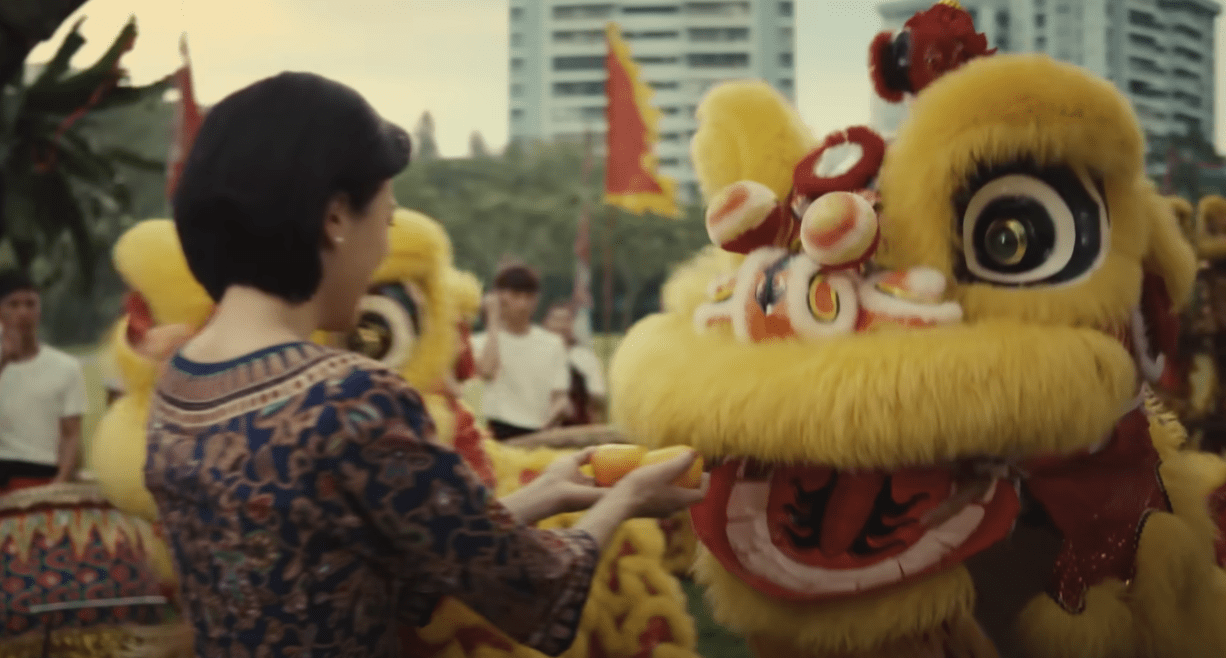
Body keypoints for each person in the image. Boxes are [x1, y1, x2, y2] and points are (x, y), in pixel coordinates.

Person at [144, 71, 707, 658]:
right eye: (384, 221)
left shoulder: (181, 384)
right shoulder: (348, 399)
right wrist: (626, 500)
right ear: (335, 218)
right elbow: (531, 587)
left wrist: (544, 493)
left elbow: (378, 551)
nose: (382, 250)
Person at [0, 270, 88, 494]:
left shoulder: (66, 367)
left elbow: (71, 434)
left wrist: (60, 481)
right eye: (13, 304)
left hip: (41, 475)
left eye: (30, 304)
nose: (23, 312)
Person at [472, 264, 573, 439]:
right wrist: (493, 319)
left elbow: (560, 395)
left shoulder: (552, 344)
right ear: (500, 297)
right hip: (497, 430)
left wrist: (553, 416)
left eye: (529, 297)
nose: (523, 304)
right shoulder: (482, 342)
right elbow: (487, 371)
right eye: (516, 296)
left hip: (539, 431)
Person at [543, 301, 607, 425]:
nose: (561, 325)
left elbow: (598, 397)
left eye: (566, 320)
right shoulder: (535, 355)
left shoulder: (585, 358)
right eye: (556, 319)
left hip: (576, 426)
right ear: (546, 323)